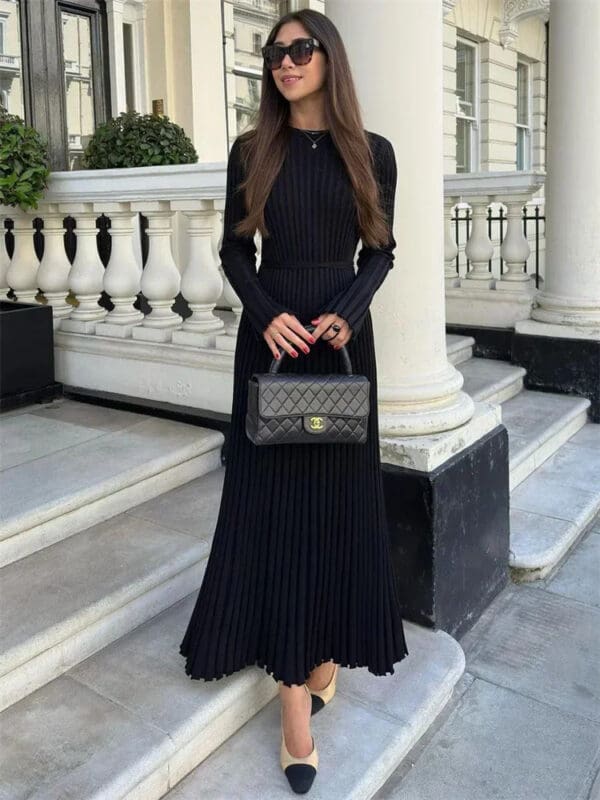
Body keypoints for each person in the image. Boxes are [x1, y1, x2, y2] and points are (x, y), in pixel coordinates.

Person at [179, 8, 409, 794]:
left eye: (299, 49)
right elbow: (235, 252)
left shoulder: (372, 153)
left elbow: (381, 250)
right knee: (277, 512)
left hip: (341, 343)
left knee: (337, 508)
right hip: (274, 341)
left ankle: (319, 652)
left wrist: (350, 308)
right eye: (274, 53)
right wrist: (264, 311)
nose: (284, 62)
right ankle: (295, 719)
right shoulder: (254, 151)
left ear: (327, 59)